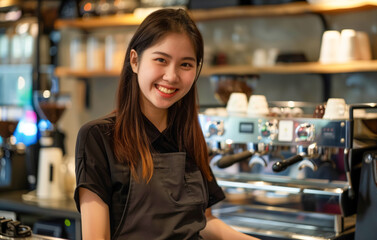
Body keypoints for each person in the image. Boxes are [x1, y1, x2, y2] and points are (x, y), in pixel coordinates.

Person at [74, 8, 260, 240]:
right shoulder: (99, 136)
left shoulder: (189, 135)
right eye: (161, 60)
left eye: (185, 65)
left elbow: (203, 221)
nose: (171, 76)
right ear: (135, 60)